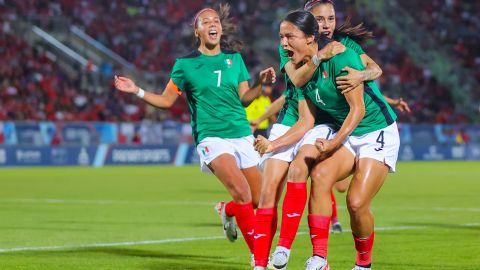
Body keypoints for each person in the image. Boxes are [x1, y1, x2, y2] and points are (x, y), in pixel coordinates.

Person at [113, 4, 276, 266]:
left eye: (216, 21)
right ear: (197, 31)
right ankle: (260, 261)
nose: (213, 24)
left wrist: (260, 83)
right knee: (243, 193)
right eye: (206, 21)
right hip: (211, 137)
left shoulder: (235, 59)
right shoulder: (185, 65)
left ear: (221, 29)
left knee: (258, 200)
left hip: (242, 134)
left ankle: (227, 210)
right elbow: (167, 101)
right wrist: (137, 91)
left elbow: (245, 99)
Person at [257, 10, 399, 270]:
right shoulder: (295, 55)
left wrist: (334, 144)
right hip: (343, 128)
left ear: (309, 38)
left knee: (355, 203)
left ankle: (363, 263)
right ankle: (320, 258)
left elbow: (359, 109)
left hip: (374, 130)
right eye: (282, 37)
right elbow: (299, 85)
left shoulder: (343, 54)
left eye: (331, 19)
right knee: (320, 175)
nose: (284, 43)